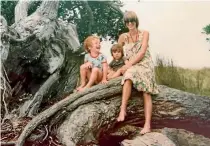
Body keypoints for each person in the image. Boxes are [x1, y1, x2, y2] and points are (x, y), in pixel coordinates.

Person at [117, 11, 159, 134]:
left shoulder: (144, 33)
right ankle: (123, 110)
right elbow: (118, 54)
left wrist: (128, 64)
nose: (130, 23)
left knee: (146, 92)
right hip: (131, 66)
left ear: (136, 21)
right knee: (128, 76)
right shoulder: (122, 37)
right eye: (127, 21)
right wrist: (124, 63)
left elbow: (142, 53)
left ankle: (147, 125)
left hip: (144, 64)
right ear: (125, 23)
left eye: (132, 21)